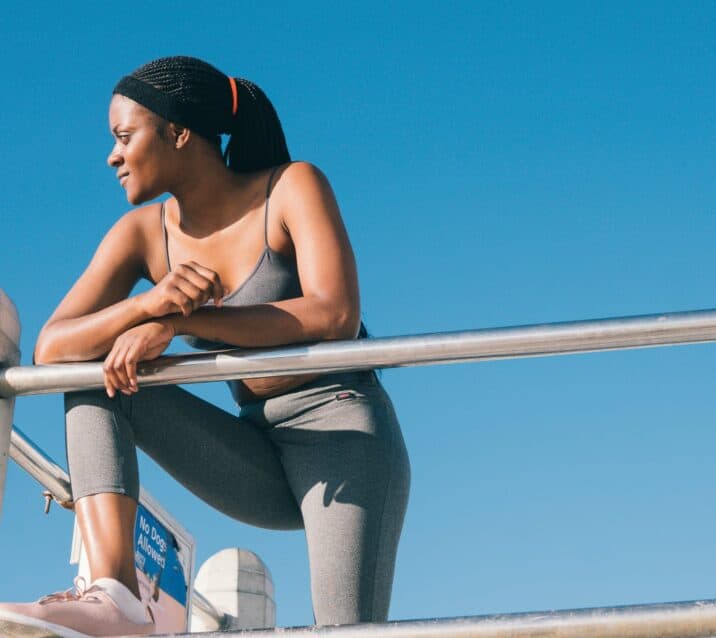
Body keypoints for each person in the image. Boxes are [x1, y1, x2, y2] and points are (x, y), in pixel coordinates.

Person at [0, 56, 410, 637]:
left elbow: (335, 313)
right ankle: (113, 594)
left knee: (343, 632)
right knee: (89, 370)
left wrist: (187, 320)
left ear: (178, 132)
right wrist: (148, 306)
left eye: (123, 137)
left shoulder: (291, 187)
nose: (112, 156)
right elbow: (54, 344)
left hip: (342, 437)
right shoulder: (142, 234)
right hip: (254, 447)